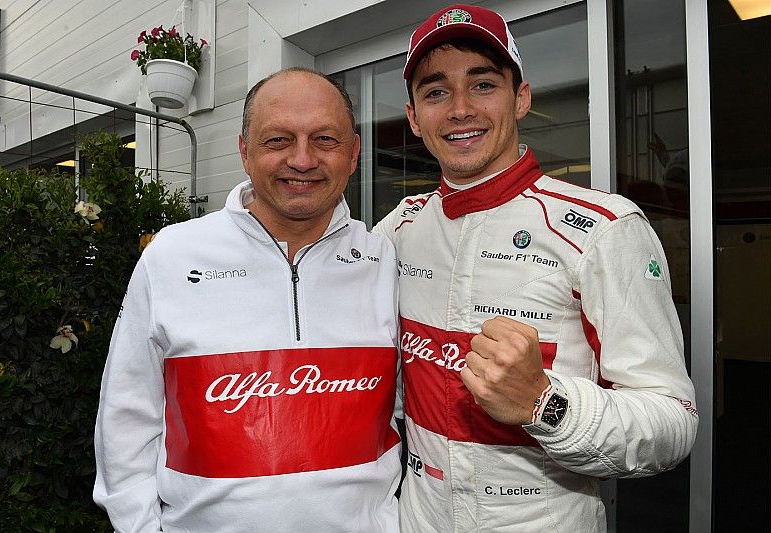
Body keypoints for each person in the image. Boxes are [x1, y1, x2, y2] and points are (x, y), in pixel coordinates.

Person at [373, 5, 698, 532]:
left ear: (520, 98)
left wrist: (544, 403)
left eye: (483, 85)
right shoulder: (400, 229)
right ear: (413, 117)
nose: (459, 109)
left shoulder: (604, 229)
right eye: (435, 92)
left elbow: (674, 424)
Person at [94, 67, 402, 532]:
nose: (302, 159)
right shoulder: (172, 256)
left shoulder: (385, 261)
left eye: (325, 140)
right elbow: (126, 416)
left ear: (354, 153)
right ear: (243, 150)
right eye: (278, 140)